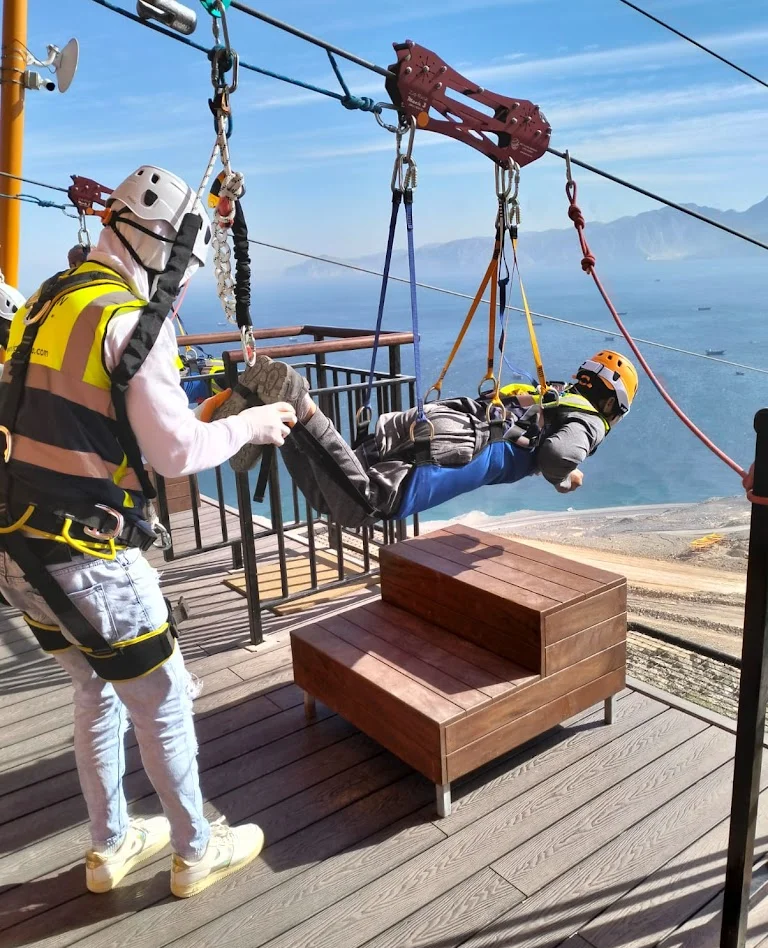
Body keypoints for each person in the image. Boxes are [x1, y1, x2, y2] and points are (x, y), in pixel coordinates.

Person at [0, 166, 295, 897]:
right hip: (90, 556)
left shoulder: (46, 301)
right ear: (162, 242)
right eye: (188, 265)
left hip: (19, 552)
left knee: (94, 692)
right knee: (161, 699)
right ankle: (197, 849)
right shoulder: (131, 321)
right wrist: (253, 421)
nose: (186, 285)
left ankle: (110, 845)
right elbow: (175, 455)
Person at [214, 350, 638, 527]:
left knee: (334, 500)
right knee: (370, 506)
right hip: (455, 452)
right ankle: (301, 406)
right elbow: (558, 454)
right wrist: (566, 476)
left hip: (439, 423)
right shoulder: (589, 422)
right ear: (613, 407)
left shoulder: (553, 395)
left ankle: (280, 418)